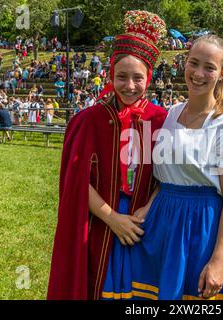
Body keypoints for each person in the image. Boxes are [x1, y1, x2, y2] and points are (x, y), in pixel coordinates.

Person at [111, 34, 223, 300]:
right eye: (194, 63)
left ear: (222, 73)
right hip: (161, 223)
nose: (199, 73)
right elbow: (167, 175)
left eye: (209, 67)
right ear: (184, 64)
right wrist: (151, 204)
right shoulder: (171, 114)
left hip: (202, 227)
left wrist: (218, 261)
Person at [47, 10, 168, 300]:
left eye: (138, 78)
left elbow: (170, 175)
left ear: (148, 77)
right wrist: (113, 218)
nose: (129, 85)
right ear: (110, 76)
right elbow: (75, 181)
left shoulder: (162, 119)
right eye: (121, 77)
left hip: (145, 220)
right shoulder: (88, 120)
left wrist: (148, 210)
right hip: (101, 220)